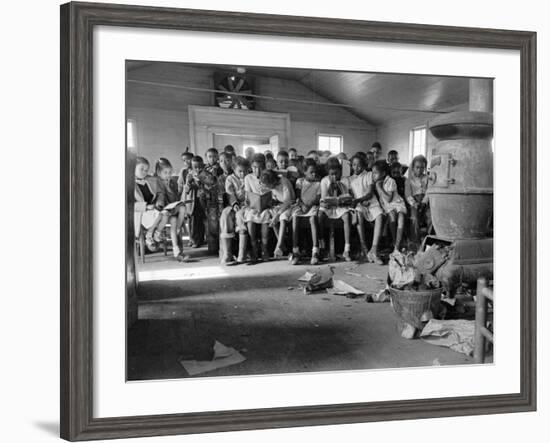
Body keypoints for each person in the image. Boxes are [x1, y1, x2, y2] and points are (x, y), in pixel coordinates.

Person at [348, 155, 384, 264]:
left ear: (363, 166)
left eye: (359, 165)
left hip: (371, 202)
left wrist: (360, 199)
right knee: (358, 214)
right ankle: (364, 249)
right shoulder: (350, 179)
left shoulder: (368, 175)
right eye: (354, 165)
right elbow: (352, 195)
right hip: (359, 204)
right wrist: (356, 200)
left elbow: (369, 193)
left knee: (380, 215)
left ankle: (374, 249)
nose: (356, 167)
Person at [152, 158, 190, 262]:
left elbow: (177, 198)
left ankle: (176, 251)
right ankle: (177, 232)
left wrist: (184, 191)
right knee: (181, 208)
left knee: (176, 216)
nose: (168, 175)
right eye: (165, 172)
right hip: (162, 210)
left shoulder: (172, 182)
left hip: (172, 208)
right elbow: (159, 197)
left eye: (170, 172)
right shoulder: (156, 182)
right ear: (158, 172)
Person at [288, 159, 322, 265]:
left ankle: (315, 251)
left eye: (315, 172)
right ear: (305, 172)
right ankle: (295, 250)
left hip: (312, 206)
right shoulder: (300, 181)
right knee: (295, 217)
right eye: (311, 172)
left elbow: (318, 198)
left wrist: (309, 205)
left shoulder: (318, 183)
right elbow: (298, 195)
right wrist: (302, 205)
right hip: (301, 205)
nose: (314, 174)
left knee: (313, 218)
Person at [319, 160, 353, 261]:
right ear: (328, 173)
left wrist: (341, 192)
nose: (334, 176)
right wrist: (330, 187)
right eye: (331, 174)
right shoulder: (324, 180)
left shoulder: (345, 180)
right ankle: (322, 245)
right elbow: (324, 198)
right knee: (320, 216)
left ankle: (347, 249)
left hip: (341, 206)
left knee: (347, 216)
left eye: (336, 173)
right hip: (328, 207)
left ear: (341, 172)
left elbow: (347, 197)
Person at [219, 157, 249, 265]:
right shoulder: (230, 179)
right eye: (240, 171)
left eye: (245, 171)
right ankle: (227, 253)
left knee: (240, 215)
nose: (243, 174)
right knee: (225, 214)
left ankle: (242, 253)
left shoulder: (249, 178)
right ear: (234, 170)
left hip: (247, 205)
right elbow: (230, 194)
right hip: (234, 204)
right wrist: (234, 204)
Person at [372, 160, 407, 252]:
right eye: (373, 173)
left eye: (375, 173)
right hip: (388, 207)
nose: (373, 175)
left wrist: (379, 187)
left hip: (397, 203)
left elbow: (388, 199)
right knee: (392, 216)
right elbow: (382, 201)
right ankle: (395, 242)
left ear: (383, 173)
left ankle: (397, 246)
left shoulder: (391, 181)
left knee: (401, 217)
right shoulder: (376, 183)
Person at [243, 153, 272, 263]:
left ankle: (264, 248)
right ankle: (254, 247)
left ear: (264, 167)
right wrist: (250, 201)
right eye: (255, 168)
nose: (257, 171)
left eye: (260, 168)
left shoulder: (268, 176)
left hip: (266, 206)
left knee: (266, 216)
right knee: (250, 218)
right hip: (253, 206)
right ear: (251, 167)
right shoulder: (248, 178)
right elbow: (248, 195)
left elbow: (271, 192)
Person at [260, 169, 295, 259]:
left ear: (273, 181)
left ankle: (279, 246)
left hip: (290, 205)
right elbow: (274, 198)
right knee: (270, 217)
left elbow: (288, 201)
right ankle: (282, 246)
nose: (268, 188)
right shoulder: (272, 186)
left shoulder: (284, 183)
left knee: (282, 218)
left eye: (268, 186)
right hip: (279, 205)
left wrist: (278, 214)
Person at [183, 155, 214, 248]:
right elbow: (187, 189)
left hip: (203, 201)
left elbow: (210, 186)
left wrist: (200, 181)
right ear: (192, 167)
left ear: (203, 165)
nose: (198, 169)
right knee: (193, 221)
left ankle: (201, 240)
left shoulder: (207, 174)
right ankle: (193, 239)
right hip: (193, 201)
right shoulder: (189, 175)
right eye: (195, 167)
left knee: (202, 222)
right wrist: (189, 182)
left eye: (200, 166)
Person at [134, 156, 164, 251]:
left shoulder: (150, 180)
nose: (144, 172)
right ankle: (151, 236)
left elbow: (160, 193)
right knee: (161, 214)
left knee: (165, 213)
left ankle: (151, 235)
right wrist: (146, 206)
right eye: (141, 169)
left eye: (146, 170)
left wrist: (159, 201)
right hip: (140, 212)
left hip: (153, 209)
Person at [405, 155, 431, 244]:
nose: (419, 170)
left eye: (422, 168)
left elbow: (429, 191)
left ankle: (428, 240)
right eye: (417, 167)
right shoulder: (409, 180)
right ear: (413, 167)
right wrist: (415, 204)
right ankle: (415, 242)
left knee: (431, 218)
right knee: (414, 218)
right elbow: (408, 195)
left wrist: (424, 203)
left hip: (425, 201)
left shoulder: (427, 178)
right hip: (414, 202)